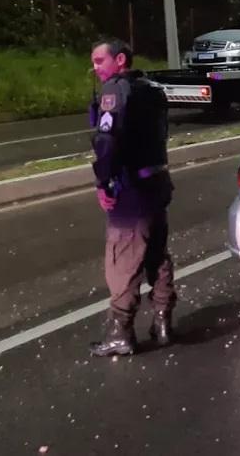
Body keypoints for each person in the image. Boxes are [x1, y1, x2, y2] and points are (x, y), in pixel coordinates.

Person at [88, 38, 176, 357]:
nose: (94, 67)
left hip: (132, 189)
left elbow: (107, 140)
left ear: (120, 60)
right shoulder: (152, 88)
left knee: (122, 260)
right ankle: (163, 323)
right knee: (156, 254)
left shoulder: (115, 90)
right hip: (158, 182)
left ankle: (120, 333)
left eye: (100, 61)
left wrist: (103, 182)